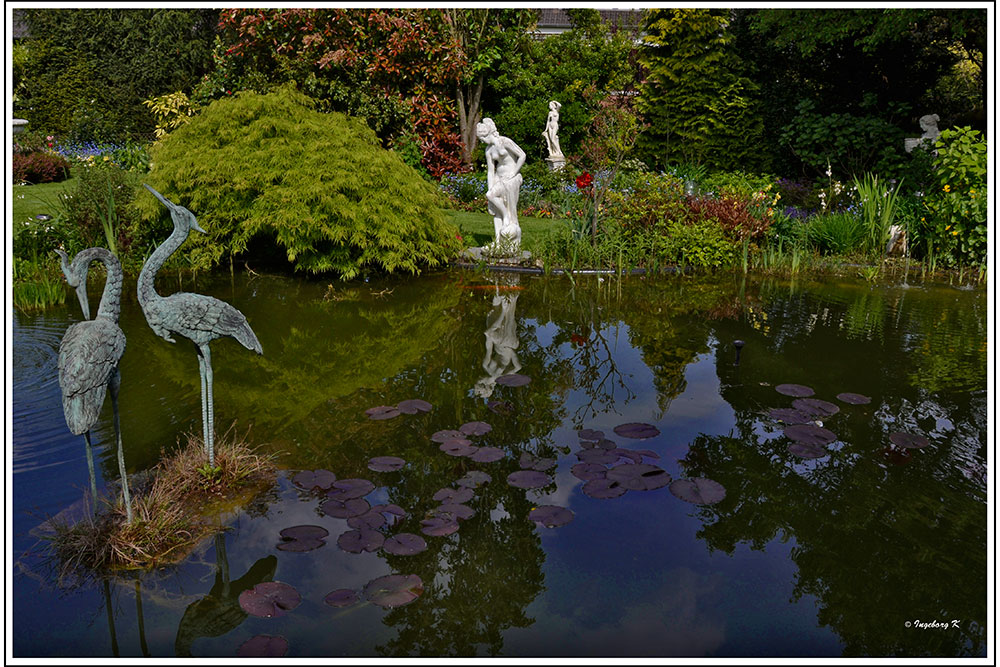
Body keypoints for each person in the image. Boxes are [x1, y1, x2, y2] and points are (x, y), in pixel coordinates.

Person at [476, 118, 526, 250]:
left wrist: (514, 172)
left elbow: (522, 155)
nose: (481, 141)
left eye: (482, 137)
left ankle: (511, 241)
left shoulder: (505, 142)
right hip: (499, 178)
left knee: (511, 208)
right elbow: (490, 171)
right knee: (491, 197)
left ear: (488, 133)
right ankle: (499, 241)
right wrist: (490, 186)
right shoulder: (488, 150)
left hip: (511, 179)